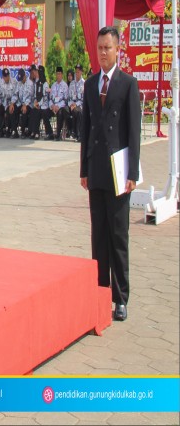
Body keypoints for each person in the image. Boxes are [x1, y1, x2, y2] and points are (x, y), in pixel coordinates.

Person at [80, 27, 141, 322]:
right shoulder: (90, 84)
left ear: (118, 49)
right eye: (99, 47)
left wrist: (132, 173)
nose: (103, 53)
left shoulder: (128, 84)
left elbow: (134, 132)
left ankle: (120, 297)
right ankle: (99, 289)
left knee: (118, 234)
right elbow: (85, 129)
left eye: (108, 47)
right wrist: (83, 169)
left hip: (118, 170)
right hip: (96, 168)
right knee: (98, 234)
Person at [48, 66, 69, 140]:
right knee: (44, 112)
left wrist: (58, 106)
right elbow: (50, 99)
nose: (58, 75)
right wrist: (52, 106)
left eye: (59, 74)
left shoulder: (65, 85)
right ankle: (50, 133)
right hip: (53, 107)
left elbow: (66, 100)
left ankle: (58, 134)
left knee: (60, 113)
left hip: (60, 107)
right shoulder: (53, 85)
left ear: (62, 75)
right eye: (57, 74)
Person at [68, 64, 85, 141]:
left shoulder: (84, 83)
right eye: (76, 72)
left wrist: (76, 104)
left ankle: (79, 134)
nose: (77, 73)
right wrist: (71, 104)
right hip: (72, 104)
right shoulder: (72, 83)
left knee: (79, 112)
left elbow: (83, 98)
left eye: (78, 72)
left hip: (80, 105)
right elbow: (69, 96)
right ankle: (73, 132)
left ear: (81, 72)